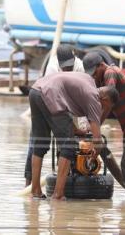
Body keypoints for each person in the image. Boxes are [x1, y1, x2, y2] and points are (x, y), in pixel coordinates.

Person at [29, 72, 119, 200]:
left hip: (36, 91)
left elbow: (66, 110)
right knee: (69, 147)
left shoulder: (88, 82)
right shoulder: (94, 97)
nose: (102, 109)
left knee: (40, 144)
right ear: (105, 99)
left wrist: (76, 130)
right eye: (106, 107)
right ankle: (58, 195)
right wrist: (96, 150)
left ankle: (35, 191)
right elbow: (97, 138)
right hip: (51, 94)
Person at [83, 52, 125, 200]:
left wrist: (95, 126)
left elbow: (107, 102)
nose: (93, 77)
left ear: (101, 65)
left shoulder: (110, 73)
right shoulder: (103, 76)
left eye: (94, 73)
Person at [24, 44, 84, 186]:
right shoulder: (52, 67)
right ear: (59, 63)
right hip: (47, 100)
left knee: (67, 141)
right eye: (64, 67)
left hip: (67, 102)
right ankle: (29, 182)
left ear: (74, 59)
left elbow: (81, 97)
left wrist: (81, 126)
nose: (67, 70)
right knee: (37, 142)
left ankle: (64, 178)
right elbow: (51, 96)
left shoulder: (79, 67)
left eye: (70, 66)